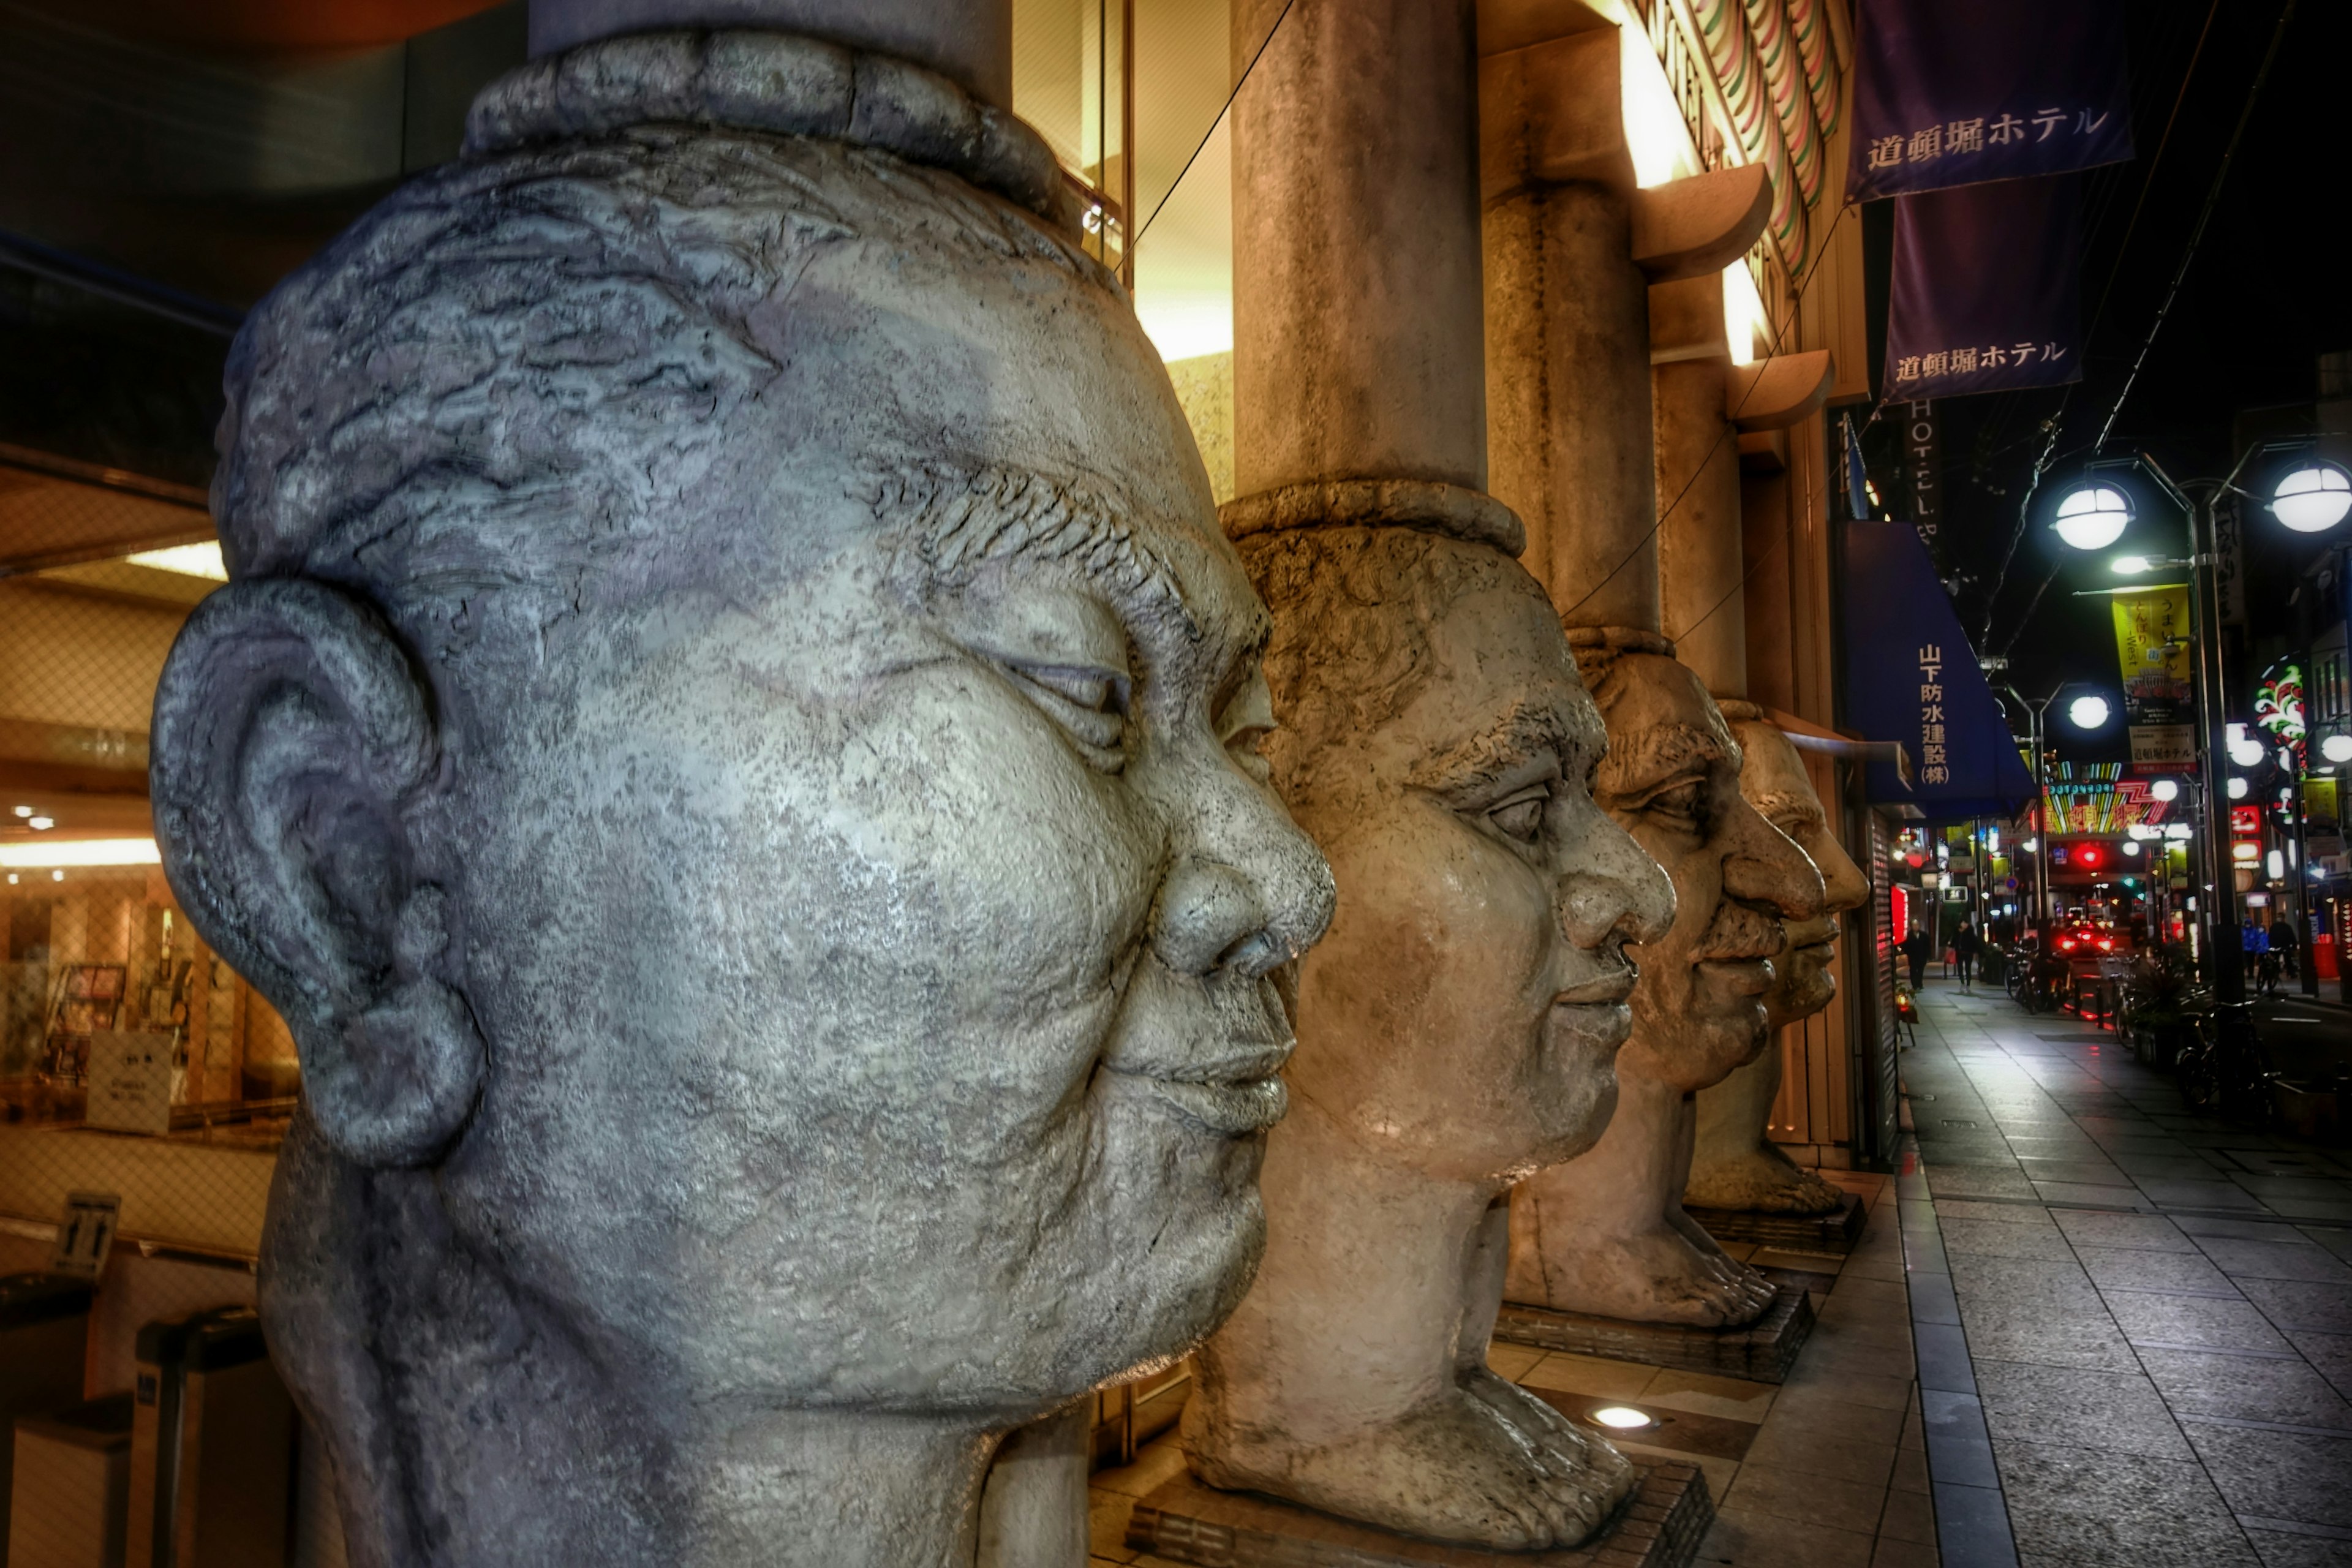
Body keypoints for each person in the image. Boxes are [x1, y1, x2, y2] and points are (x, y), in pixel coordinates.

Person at [1952, 919, 1981, 990]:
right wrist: (1951, 946)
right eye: (1963, 923)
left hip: (1968, 953)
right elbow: (1954, 940)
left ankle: (1968, 984)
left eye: (1966, 923)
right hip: (1959, 952)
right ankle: (1962, 982)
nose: (1964, 924)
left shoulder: (1970, 931)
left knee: (1968, 968)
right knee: (1960, 968)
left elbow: (1975, 942)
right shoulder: (1957, 931)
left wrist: (1978, 951)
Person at [1901, 925, 1931, 990]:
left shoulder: (1924, 935)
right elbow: (1904, 946)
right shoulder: (1908, 935)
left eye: (1917, 925)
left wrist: (1928, 955)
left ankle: (1919, 984)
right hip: (1913, 956)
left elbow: (1928, 945)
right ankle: (1915, 985)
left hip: (1922, 956)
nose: (1916, 927)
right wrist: (1908, 952)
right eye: (1914, 925)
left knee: (1920, 971)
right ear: (1911, 926)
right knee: (1913, 971)